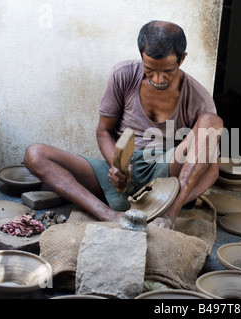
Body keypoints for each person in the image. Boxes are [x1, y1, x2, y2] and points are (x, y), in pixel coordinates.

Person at [24, 20, 223, 229]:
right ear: (141, 58)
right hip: (123, 173)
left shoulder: (198, 98)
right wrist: (117, 166)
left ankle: (170, 214)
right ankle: (109, 214)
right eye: (150, 69)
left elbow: (207, 157)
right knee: (35, 154)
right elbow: (103, 132)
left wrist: (173, 202)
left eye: (167, 71)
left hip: (164, 175)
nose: (158, 78)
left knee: (212, 133)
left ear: (182, 60)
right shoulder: (123, 74)